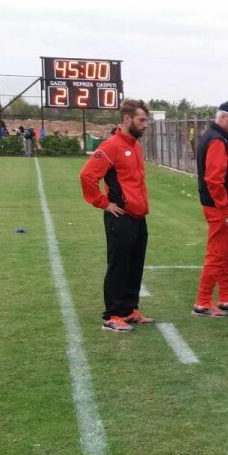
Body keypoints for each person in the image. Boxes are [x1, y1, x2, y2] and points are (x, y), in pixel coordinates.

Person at [78, 98, 153, 332]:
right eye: (141, 120)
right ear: (127, 119)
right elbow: (87, 176)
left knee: (135, 264)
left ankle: (129, 310)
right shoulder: (111, 147)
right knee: (119, 265)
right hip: (120, 217)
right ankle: (112, 315)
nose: (145, 124)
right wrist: (103, 203)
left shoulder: (136, 146)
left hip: (139, 217)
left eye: (146, 120)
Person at [192, 101, 228, 318]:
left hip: (223, 206)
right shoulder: (217, 140)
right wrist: (225, 210)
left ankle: (225, 298)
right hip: (219, 208)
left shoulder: (220, 138)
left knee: (226, 253)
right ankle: (203, 301)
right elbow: (214, 181)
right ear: (223, 118)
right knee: (217, 254)